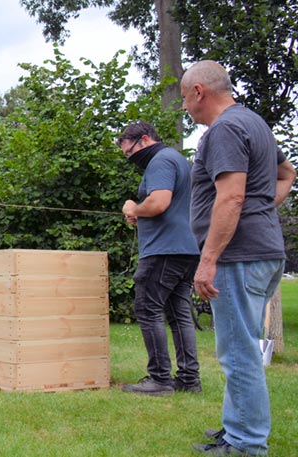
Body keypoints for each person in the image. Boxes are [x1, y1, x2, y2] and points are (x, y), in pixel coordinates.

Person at [182, 60, 296, 455]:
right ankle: (237, 429)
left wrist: (208, 258)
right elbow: (287, 173)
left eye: (184, 98)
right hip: (263, 252)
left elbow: (231, 196)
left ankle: (246, 443)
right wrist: (262, 212)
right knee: (240, 345)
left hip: (238, 256)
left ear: (199, 91)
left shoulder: (225, 129)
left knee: (238, 352)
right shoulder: (255, 123)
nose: (185, 108)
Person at [117, 121, 202, 396]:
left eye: (129, 152)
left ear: (143, 140)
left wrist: (134, 207)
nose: (130, 159)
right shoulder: (178, 159)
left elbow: (159, 203)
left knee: (148, 310)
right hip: (187, 248)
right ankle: (189, 380)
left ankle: (160, 380)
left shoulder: (160, 161)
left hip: (163, 250)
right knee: (179, 315)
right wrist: (140, 214)